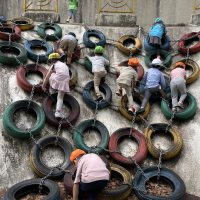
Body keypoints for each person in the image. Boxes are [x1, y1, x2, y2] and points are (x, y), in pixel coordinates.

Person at [42, 53, 70, 118]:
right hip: (65, 82)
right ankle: (58, 112)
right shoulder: (64, 64)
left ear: (51, 60)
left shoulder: (53, 66)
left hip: (58, 80)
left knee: (51, 75)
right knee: (60, 97)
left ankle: (52, 90)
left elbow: (47, 77)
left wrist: (43, 86)